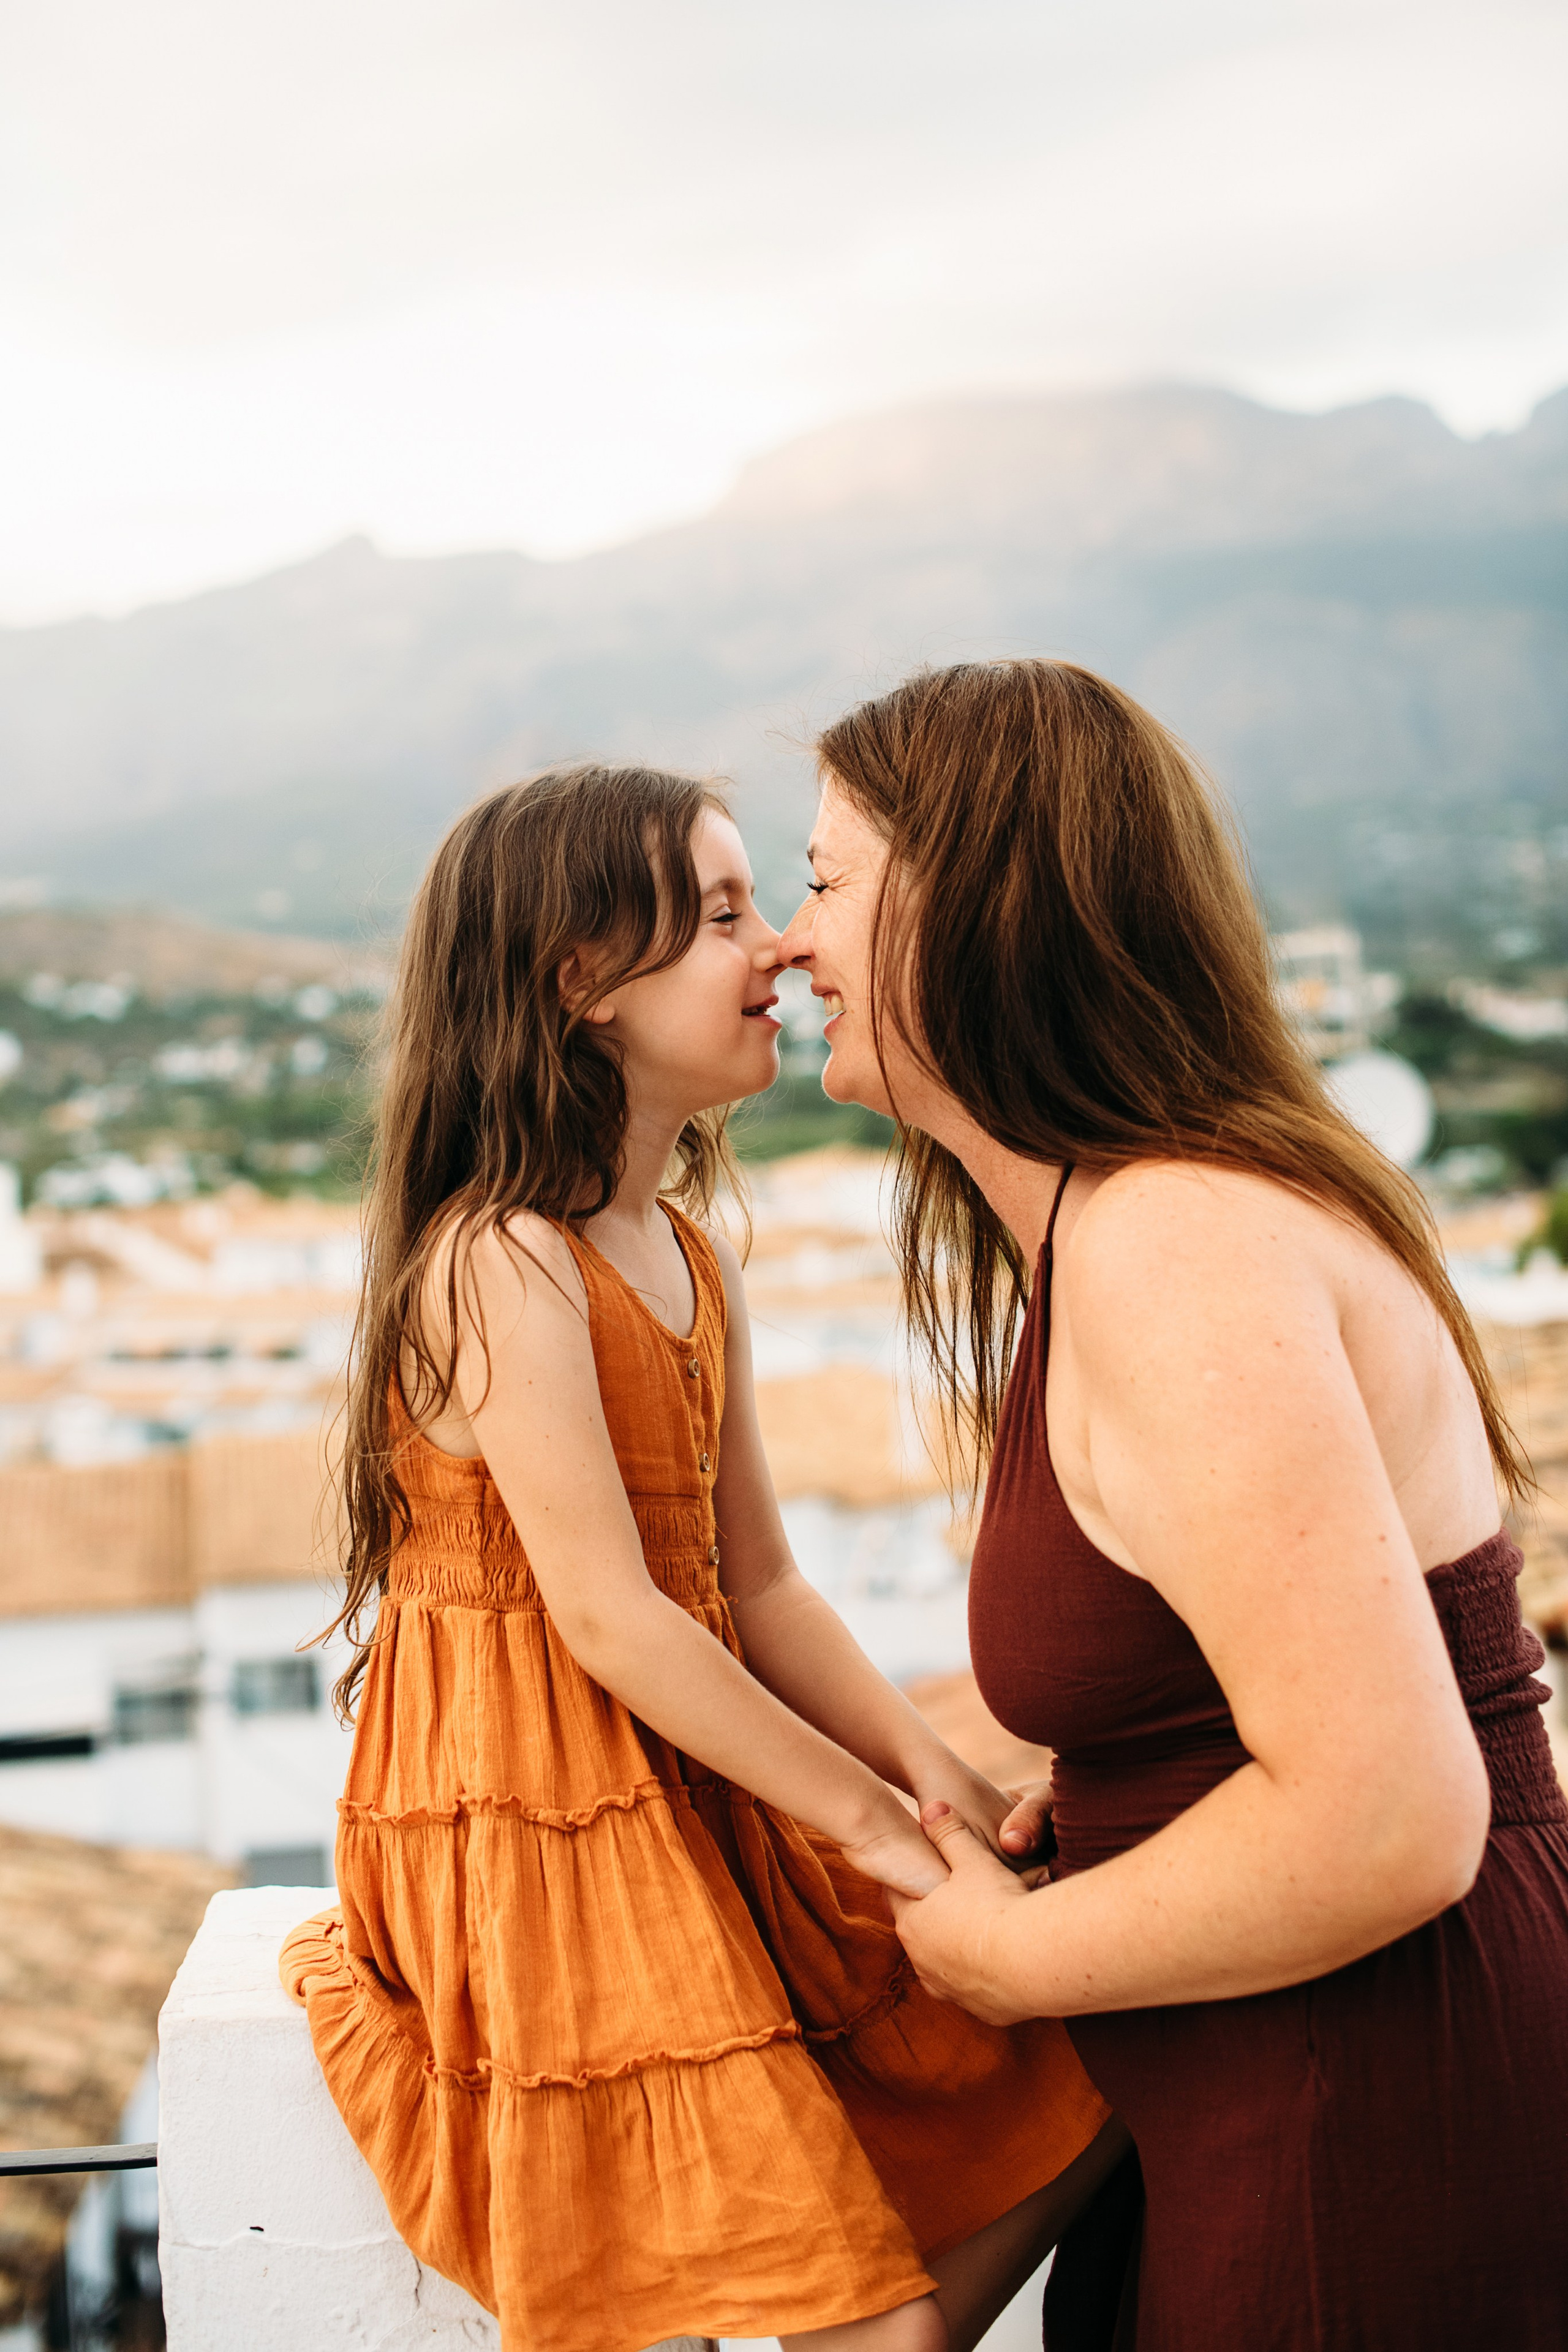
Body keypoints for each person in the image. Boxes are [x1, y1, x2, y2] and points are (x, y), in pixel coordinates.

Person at [775, 660, 1568, 2351]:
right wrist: (1133, 1802)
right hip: (1268, 2084)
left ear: (973, 908)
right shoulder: (1124, 1234)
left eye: (827, 880)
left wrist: (1003, 1962)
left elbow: (1388, 1818)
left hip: (1358, 2102)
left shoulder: (1172, 1247)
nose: (791, 939)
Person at [281, 764, 1121, 2352]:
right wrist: (875, 1827)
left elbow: (769, 1593)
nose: (780, 951)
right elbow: (610, 1619)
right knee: (870, 2309)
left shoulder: (688, 1253)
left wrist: (947, 1787)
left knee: (1077, 2072)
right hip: (528, 1814)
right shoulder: (498, 1260)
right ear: (582, 983)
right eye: (724, 914)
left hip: (671, 1783)